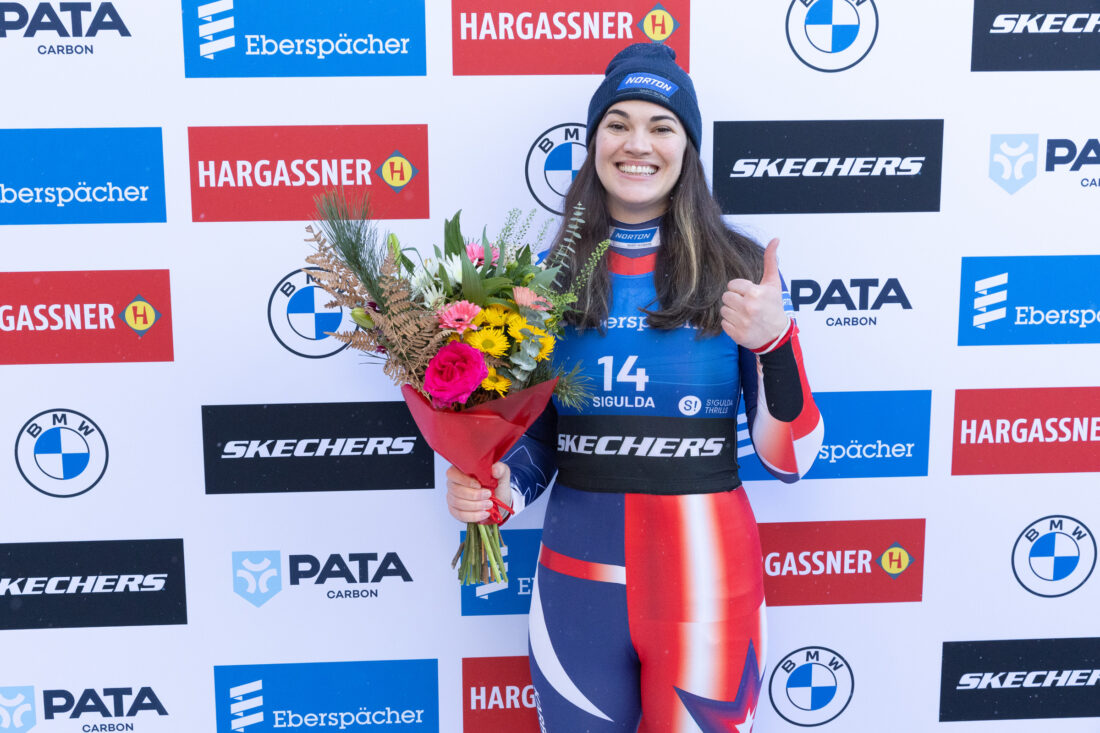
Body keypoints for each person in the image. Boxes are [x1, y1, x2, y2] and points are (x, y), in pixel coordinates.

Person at [446, 43, 823, 732]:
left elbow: (791, 458)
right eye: (617, 123)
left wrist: (775, 343)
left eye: (661, 125)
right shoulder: (544, 281)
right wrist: (495, 487)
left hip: (708, 582)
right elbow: (541, 439)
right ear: (594, 144)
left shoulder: (739, 269)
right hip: (577, 581)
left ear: (688, 146)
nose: (637, 143)